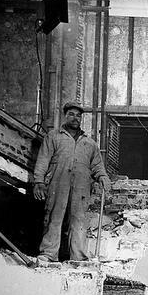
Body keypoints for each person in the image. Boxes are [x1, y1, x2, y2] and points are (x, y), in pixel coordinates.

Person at [33, 102, 111, 263]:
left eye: (78, 115)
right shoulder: (53, 136)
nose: (75, 118)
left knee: (79, 221)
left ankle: (78, 257)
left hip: (81, 187)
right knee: (54, 217)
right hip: (57, 182)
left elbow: (97, 165)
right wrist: (39, 181)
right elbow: (43, 160)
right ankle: (48, 254)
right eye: (71, 114)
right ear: (65, 116)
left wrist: (103, 177)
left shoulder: (90, 143)